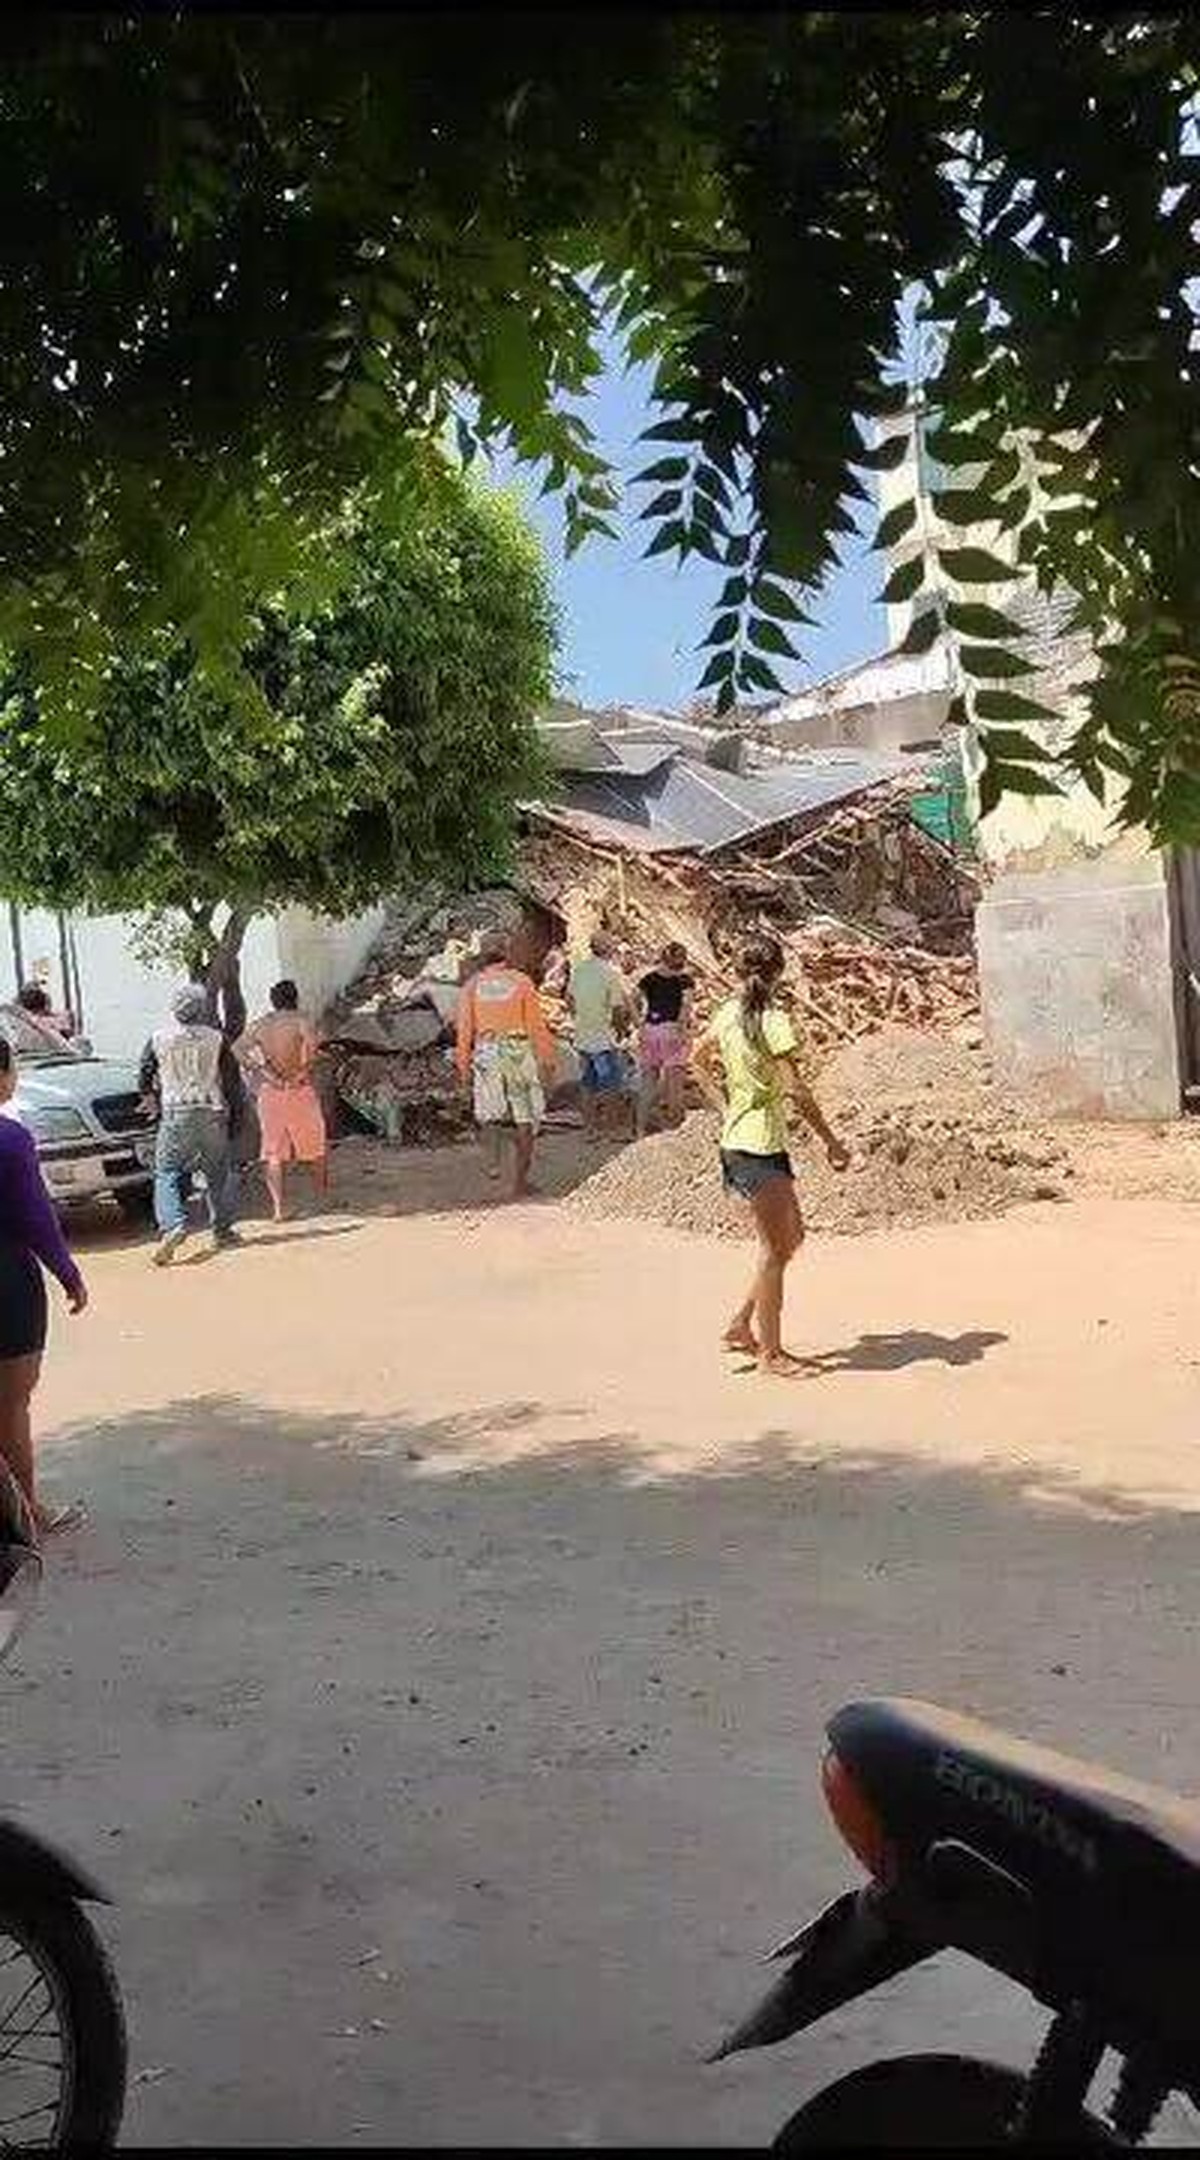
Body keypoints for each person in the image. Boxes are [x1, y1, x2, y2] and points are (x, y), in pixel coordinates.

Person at [693, 936, 850, 1378]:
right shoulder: (773, 1021)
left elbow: (696, 1059)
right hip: (757, 1146)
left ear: (737, 971)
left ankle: (741, 1324)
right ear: (779, 973)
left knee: (790, 1238)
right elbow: (796, 1089)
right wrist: (831, 1141)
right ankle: (771, 1354)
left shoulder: (728, 1012)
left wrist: (723, 1104)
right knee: (773, 1250)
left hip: (747, 1141)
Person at [0, 1036, 87, 1538]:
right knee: (11, 1404)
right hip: (6, 1282)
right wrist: (68, 1274)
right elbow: (36, 1217)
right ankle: (26, 1511)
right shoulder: (10, 1139)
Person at [139, 984, 243, 1265]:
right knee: (217, 1172)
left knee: (167, 1171)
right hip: (211, 1110)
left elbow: (144, 1073)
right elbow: (232, 1082)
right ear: (203, 1009)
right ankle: (222, 1230)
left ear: (175, 1010)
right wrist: (236, 1118)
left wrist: (150, 1100)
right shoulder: (217, 1038)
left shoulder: (158, 1038)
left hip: (175, 1112)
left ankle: (173, 1225)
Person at [455, 931, 556, 1200]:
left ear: (481, 956)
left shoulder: (472, 987)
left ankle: (495, 1165)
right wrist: (547, 1061)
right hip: (518, 1053)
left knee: (490, 1115)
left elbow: (464, 1032)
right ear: (507, 954)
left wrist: (463, 1069)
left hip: (487, 1053)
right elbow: (536, 1027)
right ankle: (520, 1181)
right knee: (525, 1118)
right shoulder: (522, 982)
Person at [235, 980, 328, 1223]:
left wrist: (262, 1070)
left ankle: (278, 1209)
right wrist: (301, 1073)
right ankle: (322, 1199)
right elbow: (312, 1050)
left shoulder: (261, 1024)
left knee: (273, 1152)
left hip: (270, 1092)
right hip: (299, 1090)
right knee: (315, 1147)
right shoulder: (302, 1020)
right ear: (295, 998)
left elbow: (237, 1049)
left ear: (273, 1001)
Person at [568, 930, 633, 1141]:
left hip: (582, 1036)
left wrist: (579, 1018)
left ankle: (589, 1129)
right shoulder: (609, 973)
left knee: (587, 1084)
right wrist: (621, 1030)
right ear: (608, 949)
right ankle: (612, 1129)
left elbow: (569, 998)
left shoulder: (579, 970)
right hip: (603, 1037)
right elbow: (618, 1009)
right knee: (611, 1084)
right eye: (612, 945)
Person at [636, 940, 693, 1134]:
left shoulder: (649, 978)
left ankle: (639, 1127)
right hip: (672, 1030)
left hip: (650, 1030)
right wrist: (682, 1030)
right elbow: (686, 1006)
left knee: (648, 1082)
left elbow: (633, 998)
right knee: (674, 1081)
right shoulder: (685, 980)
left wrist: (639, 1023)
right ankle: (674, 1128)